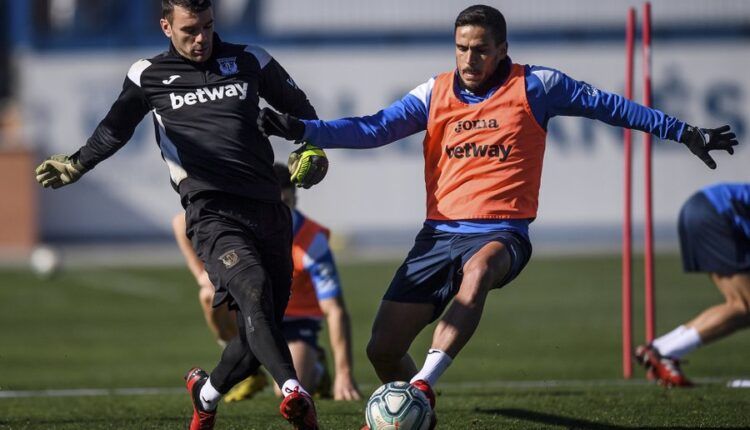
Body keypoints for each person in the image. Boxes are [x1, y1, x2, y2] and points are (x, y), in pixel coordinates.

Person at [257, 4, 739, 427]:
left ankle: (423, 385)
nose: (469, 59)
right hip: (437, 237)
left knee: (481, 268)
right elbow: (375, 128)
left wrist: (684, 131)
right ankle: (419, 408)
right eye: (462, 48)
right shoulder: (435, 92)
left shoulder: (537, 85)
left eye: (481, 48)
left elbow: (611, 106)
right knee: (381, 351)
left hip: (502, 233)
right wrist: (305, 127)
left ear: (502, 47)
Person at [33, 1, 328, 429]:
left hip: (269, 209)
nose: (201, 38)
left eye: (208, 27)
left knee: (252, 341)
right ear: (166, 26)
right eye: (190, 29)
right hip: (211, 213)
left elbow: (302, 110)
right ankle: (294, 393)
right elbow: (116, 127)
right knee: (253, 289)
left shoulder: (251, 60)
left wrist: (312, 146)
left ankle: (205, 395)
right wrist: (78, 163)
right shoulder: (147, 75)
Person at [172, 163, 362, 401]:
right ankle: (247, 371)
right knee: (209, 296)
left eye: (287, 202)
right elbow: (181, 222)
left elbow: (334, 309)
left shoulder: (312, 241)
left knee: (287, 390)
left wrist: (344, 373)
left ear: (295, 198)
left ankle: (318, 367)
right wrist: (202, 275)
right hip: (255, 313)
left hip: (295, 321)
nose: (280, 209)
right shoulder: (244, 217)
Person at [635, 183, 750, 387]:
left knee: (738, 304)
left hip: (702, 206)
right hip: (717, 213)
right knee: (744, 306)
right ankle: (664, 352)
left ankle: (660, 348)